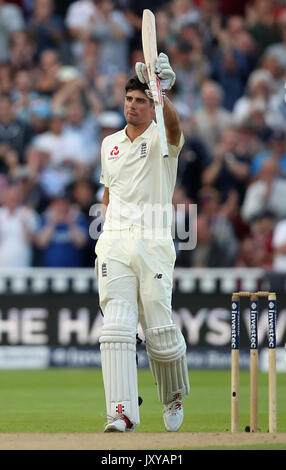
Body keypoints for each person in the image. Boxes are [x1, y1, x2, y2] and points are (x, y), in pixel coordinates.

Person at [96, 54, 190, 433]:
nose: (132, 106)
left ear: (151, 107)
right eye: (129, 100)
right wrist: (105, 232)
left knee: (159, 330)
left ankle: (173, 395)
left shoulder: (164, 138)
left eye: (141, 101)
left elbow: (174, 123)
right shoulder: (109, 143)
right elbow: (108, 193)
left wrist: (162, 91)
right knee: (116, 327)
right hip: (115, 243)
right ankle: (121, 412)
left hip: (153, 241)